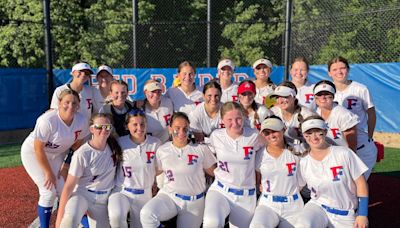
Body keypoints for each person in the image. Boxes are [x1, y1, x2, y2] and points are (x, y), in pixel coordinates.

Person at [21, 89, 89, 228]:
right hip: (33, 153)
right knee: (48, 191)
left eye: (74, 103)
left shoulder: (81, 121)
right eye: (66, 102)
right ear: (59, 103)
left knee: (65, 189)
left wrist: (66, 163)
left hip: (56, 155)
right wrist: (48, 173)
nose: (70, 106)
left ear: (78, 105)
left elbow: (78, 143)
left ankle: (84, 223)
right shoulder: (48, 120)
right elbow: (38, 148)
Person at [140, 112, 216, 228]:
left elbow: (215, 172)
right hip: (170, 197)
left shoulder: (201, 149)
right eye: (177, 128)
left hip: (194, 203)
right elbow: (155, 171)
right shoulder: (162, 150)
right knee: (147, 214)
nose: (181, 132)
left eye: (185, 128)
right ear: (170, 129)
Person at [295, 116, 369, 228]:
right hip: (318, 208)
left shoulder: (344, 154)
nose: (313, 137)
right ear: (304, 136)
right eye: (308, 133)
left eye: (317, 132)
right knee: (303, 225)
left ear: (325, 132)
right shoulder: (304, 162)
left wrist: (363, 214)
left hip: (345, 213)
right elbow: (296, 186)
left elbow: (361, 183)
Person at [203, 102, 264, 228]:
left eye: (238, 119)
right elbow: (206, 156)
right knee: (212, 223)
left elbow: (268, 154)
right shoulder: (216, 136)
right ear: (222, 120)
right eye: (229, 119)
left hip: (245, 194)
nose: (235, 123)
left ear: (244, 117)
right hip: (220, 190)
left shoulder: (254, 135)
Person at [56, 113, 122, 228]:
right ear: (91, 129)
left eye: (107, 127)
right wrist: (59, 218)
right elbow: (69, 186)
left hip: (103, 199)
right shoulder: (82, 153)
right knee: (69, 221)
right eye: (99, 127)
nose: (103, 130)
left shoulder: (115, 147)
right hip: (83, 195)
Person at [108, 110, 161, 228]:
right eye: (135, 124)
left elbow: (160, 168)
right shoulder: (120, 143)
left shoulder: (155, 143)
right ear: (127, 126)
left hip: (144, 193)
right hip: (122, 191)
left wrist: (154, 181)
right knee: (116, 216)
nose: (139, 128)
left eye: (142, 124)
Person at [250, 116, 304, 228]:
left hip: (293, 205)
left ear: (283, 129)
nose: (271, 135)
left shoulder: (297, 152)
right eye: (267, 133)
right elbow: (257, 178)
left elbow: (302, 180)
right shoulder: (259, 154)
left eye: (274, 131)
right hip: (268, 204)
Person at [328, 56, 377, 179]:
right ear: (329, 73)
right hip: (335, 146)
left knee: (357, 185)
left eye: (342, 68)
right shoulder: (326, 92)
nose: (339, 72)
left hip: (360, 145)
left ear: (348, 70)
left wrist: (370, 135)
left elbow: (371, 113)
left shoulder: (360, 89)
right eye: (334, 69)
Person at [313, 80, 359, 151]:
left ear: (333, 96)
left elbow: (352, 145)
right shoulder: (315, 114)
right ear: (315, 97)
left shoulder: (344, 115)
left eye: (327, 94)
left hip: (344, 155)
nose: (323, 97)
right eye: (319, 94)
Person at [142, 79, 174, 143]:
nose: (156, 95)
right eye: (152, 91)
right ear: (145, 92)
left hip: (166, 144)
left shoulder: (168, 102)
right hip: (149, 146)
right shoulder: (140, 108)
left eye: (158, 91)